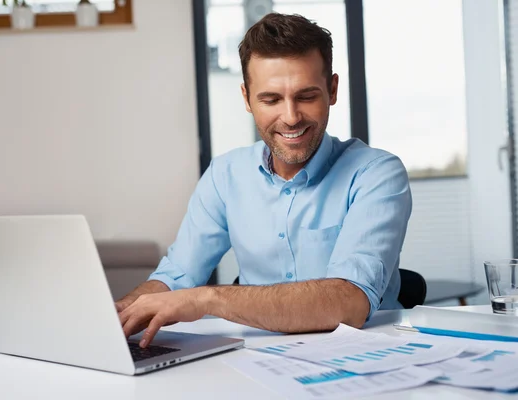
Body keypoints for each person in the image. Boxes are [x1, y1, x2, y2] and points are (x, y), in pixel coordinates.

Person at [116, 12, 412, 348]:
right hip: (258, 359)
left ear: (332, 90)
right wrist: (119, 315)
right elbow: (175, 277)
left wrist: (207, 299)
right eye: (270, 99)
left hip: (366, 357)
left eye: (306, 96)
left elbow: (349, 303)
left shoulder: (376, 173)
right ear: (246, 98)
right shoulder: (225, 175)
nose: (290, 117)